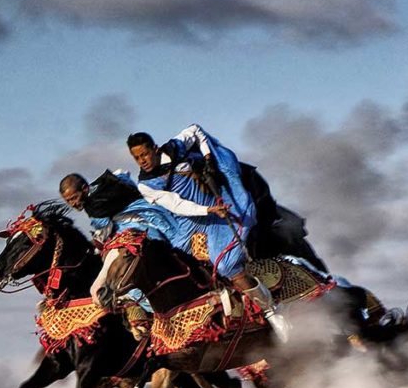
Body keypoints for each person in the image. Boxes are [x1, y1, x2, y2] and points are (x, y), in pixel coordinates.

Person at [122, 125, 289, 340]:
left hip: (219, 209)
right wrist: (207, 210)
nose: (142, 160)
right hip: (190, 222)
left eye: (144, 154)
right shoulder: (146, 184)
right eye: (136, 158)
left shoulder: (175, 147)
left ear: (154, 148)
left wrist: (209, 158)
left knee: (226, 265)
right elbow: (176, 205)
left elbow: (195, 130)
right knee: (177, 264)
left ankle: (271, 311)